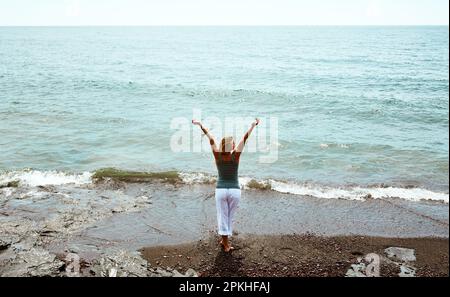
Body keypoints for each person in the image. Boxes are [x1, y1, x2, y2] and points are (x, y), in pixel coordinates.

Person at [192, 118, 260, 252]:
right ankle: (225, 243)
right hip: (234, 190)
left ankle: (225, 242)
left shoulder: (217, 155)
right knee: (229, 216)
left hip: (221, 190)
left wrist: (201, 125)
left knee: (222, 216)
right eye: (233, 143)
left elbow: (210, 138)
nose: (235, 144)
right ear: (231, 145)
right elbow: (244, 139)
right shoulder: (236, 156)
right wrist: (253, 126)